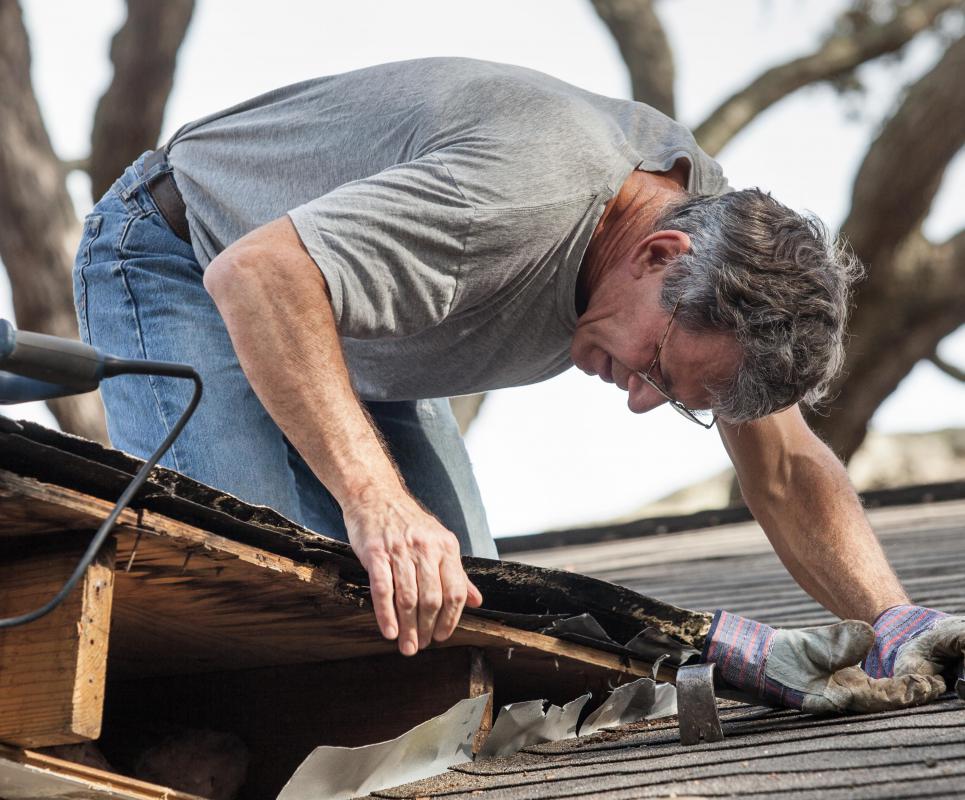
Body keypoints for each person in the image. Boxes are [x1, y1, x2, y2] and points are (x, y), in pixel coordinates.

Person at [73, 58, 963, 705]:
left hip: (356, 322)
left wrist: (893, 623)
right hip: (186, 255)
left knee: (463, 639)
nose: (639, 397)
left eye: (673, 399)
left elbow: (783, 466)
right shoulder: (514, 201)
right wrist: (376, 499)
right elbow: (259, 277)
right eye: (656, 367)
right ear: (660, 254)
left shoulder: (718, 241)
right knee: (263, 607)